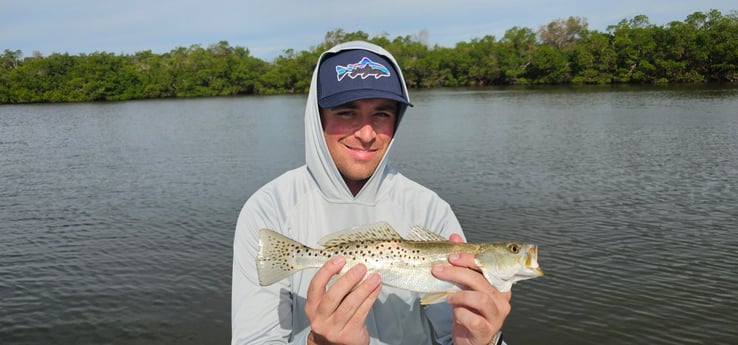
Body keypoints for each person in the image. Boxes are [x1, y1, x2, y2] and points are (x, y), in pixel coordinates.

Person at [232, 40, 511, 345]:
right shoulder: (269, 208)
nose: (366, 134)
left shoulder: (429, 208)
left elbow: (454, 332)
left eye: (382, 114)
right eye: (347, 112)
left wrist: (483, 340)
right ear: (317, 117)